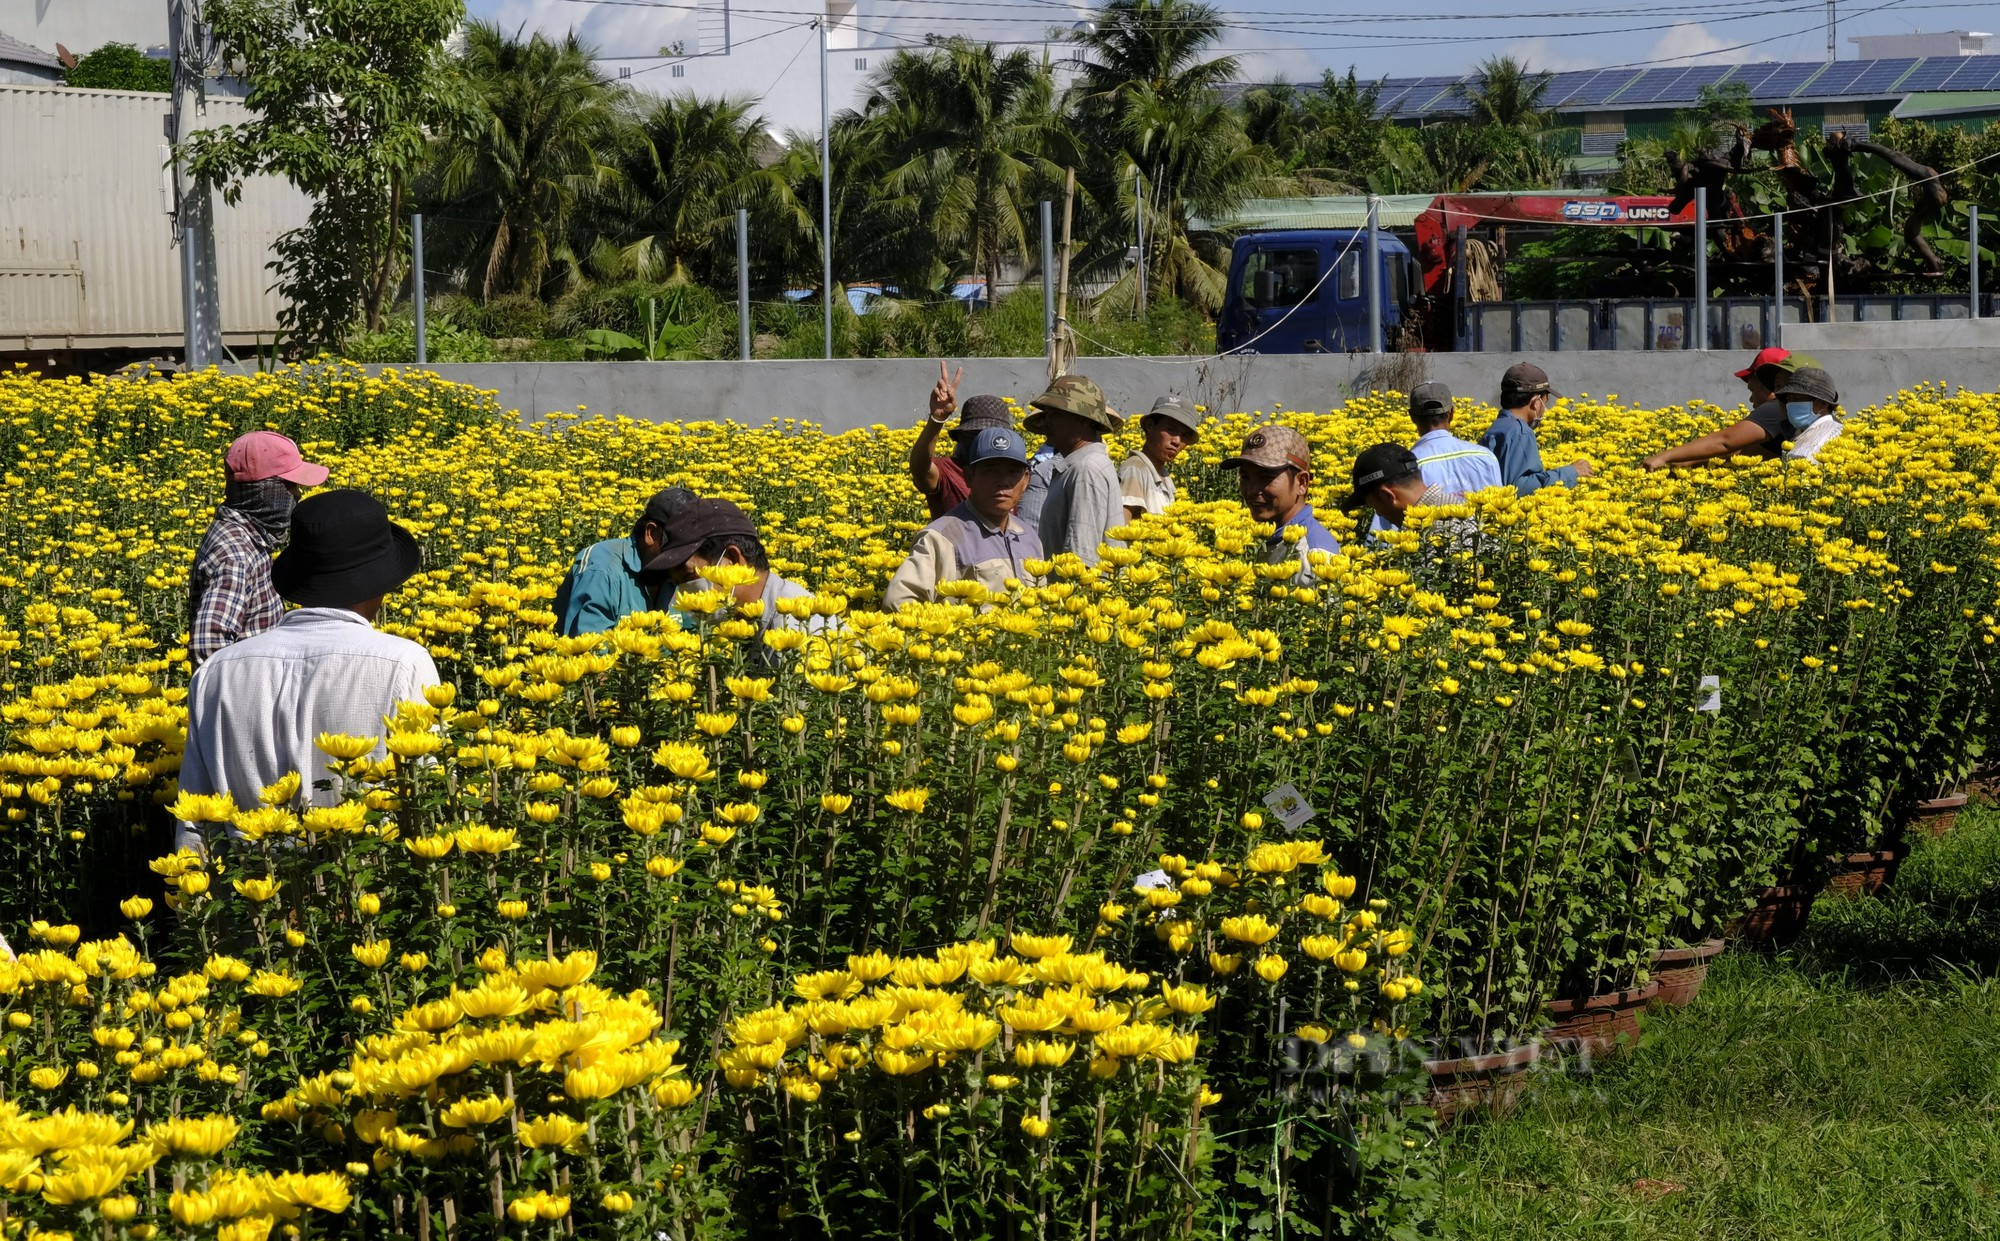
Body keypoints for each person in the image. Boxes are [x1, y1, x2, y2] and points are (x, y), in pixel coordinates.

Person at [178, 490, 439, 850]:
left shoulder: (217, 672)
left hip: (248, 890)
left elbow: (194, 818)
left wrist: (200, 897)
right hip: (366, 883)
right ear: (382, 583)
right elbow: (428, 793)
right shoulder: (403, 662)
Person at [187, 431, 329, 667]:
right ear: (264, 490)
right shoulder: (236, 554)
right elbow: (209, 646)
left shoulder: (246, 536)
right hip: (245, 698)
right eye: (290, 485)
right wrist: (244, 697)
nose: (297, 494)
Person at [884, 427, 1045, 608]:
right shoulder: (941, 538)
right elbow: (898, 603)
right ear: (969, 477)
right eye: (990, 471)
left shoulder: (1028, 536)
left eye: (1012, 472)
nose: (1003, 481)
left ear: (1025, 480)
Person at [649, 498, 823, 654]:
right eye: (677, 584)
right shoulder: (743, 631)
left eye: (689, 577)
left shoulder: (796, 633)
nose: (682, 596)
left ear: (732, 560)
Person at [1640, 348, 1819, 471]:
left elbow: (1725, 442)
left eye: (1752, 389)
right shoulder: (1801, 413)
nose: (1750, 398)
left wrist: (1665, 457)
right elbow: (1739, 450)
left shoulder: (1774, 410)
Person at [552, 486, 695, 636]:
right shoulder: (602, 571)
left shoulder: (680, 572)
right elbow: (589, 651)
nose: (690, 558)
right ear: (651, 534)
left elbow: (694, 637)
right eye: (683, 545)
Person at [1023, 375, 1126, 566]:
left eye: (1056, 414)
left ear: (1085, 420)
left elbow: (1079, 562)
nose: (1046, 422)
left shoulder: (1085, 470)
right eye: (1046, 414)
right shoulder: (1080, 465)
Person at [1221, 425, 1340, 581]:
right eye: (1245, 477)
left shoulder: (1313, 557)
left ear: (1302, 483)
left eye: (1266, 478)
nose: (1251, 490)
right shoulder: (1273, 535)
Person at [909, 363, 1016, 520]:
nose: (984, 443)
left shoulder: (1014, 472)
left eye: (992, 437)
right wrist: (937, 419)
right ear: (961, 438)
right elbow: (920, 469)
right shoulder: (947, 471)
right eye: (976, 436)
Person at [1477, 365, 1594, 495]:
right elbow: (1520, 488)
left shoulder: (1496, 427)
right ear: (1536, 402)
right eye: (1545, 402)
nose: (1545, 409)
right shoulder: (1521, 431)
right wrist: (1571, 472)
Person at [1342, 443, 1476, 550]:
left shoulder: (1432, 535)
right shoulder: (1456, 507)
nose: (1379, 514)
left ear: (1387, 495)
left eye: (1374, 506)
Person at [1119, 396, 1201, 521]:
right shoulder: (1135, 469)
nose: (1177, 441)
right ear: (1150, 426)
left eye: (1184, 435)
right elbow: (1122, 528)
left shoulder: (1164, 476)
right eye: (1171, 430)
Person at [1772, 366, 1843, 461]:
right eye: (1789, 399)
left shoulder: (1828, 437)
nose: (1791, 404)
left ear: (1823, 404)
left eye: (1797, 399)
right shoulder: (1802, 432)